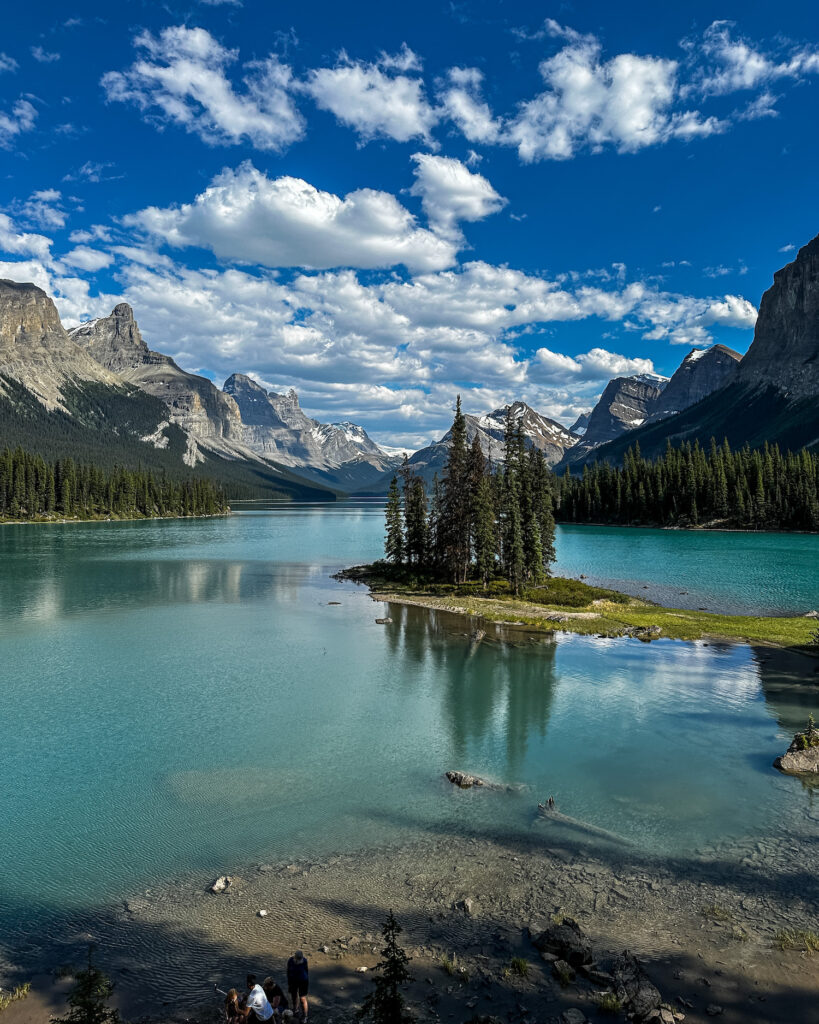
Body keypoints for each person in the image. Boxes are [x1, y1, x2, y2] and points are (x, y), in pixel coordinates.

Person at [286, 951, 309, 1022]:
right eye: (297, 959)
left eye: (300, 959)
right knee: (294, 996)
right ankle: (295, 1010)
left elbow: (306, 971)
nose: (299, 961)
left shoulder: (304, 961)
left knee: (302, 998)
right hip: (293, 981)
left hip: (303, 982)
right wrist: (289, 982)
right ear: (295, 957)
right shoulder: (290, 960)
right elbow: (288, 971)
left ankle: (305, 1016)